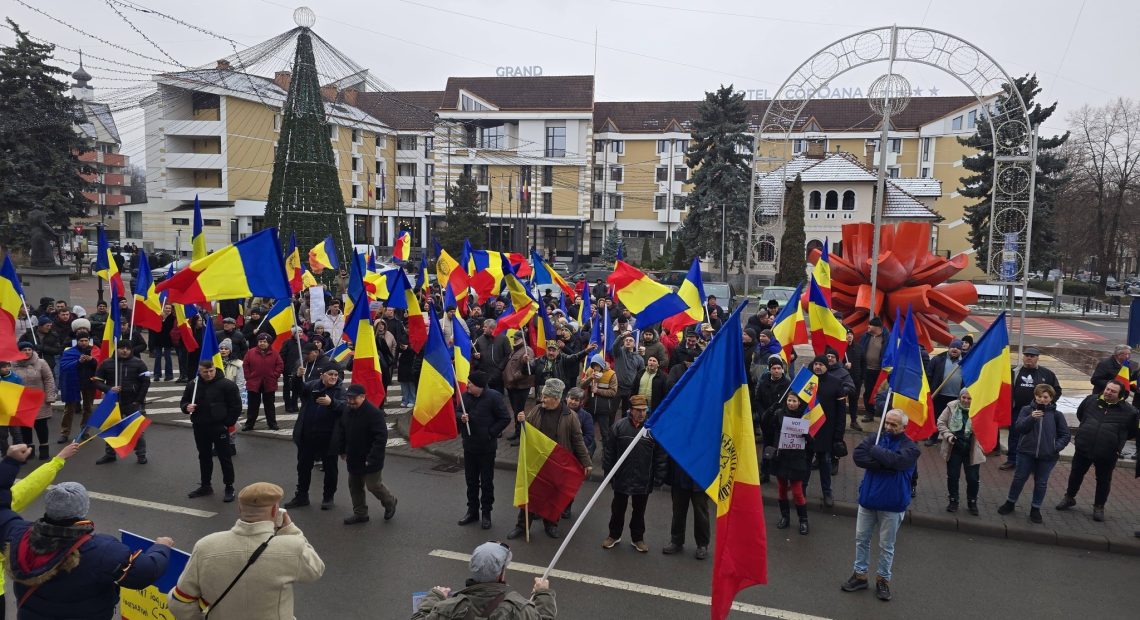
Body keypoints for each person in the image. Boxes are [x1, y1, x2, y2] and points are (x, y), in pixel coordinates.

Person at [0, 444, 173, 618]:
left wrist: (10, 463)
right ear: (83, 510)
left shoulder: (17, 535)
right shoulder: (102, 550)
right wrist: (162, 547)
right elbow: (145, 572)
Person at [168, 482, 325, 620]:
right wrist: (289, 529)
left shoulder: (205, 546)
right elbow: (316, 570)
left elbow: (179, 602)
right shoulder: (293, 547)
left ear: (239, 509)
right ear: (275, 511)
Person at [841, 409, 919, 602]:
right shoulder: (875, 438)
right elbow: (858, 456)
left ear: (904, 427)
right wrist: (886, 463)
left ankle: (883, 580)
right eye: (887, 423)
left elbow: (898, 461)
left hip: (893, 505)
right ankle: (860, 575)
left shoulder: (911, 448)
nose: (888, 427)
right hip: (868, 500)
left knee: (886, 546)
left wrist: (876, 453)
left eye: (894, 424)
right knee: (861, 539)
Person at [508, 379, 592, 540]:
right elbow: (527, 431)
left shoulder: (570, 416)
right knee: (531, 494)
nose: (542, 399)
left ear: (556, 398)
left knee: (554, 497)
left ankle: (551, 525)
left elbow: (578, 441)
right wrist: (522, 422)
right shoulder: (537, 410)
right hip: (537, 462)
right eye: (543, 395)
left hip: (557, 464)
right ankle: (522, 526)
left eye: (546, 396)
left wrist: (586, 462)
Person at [1055, 380, 1139, 521]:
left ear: (1120, 395)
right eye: (1107, 389)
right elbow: (1080, 415)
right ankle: (1069, 497)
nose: (1108, 392)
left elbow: (1131, 432)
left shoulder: (1130, 412)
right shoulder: (1091, 400)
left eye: (1113, 391)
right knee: (1076, 474)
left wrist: (1116, 443)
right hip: (1084, 447)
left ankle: (1099, 507)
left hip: (1108, 453)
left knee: (1103, 480)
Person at [411, 541, 556, 619]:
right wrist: (543, 594)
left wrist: (434, 597)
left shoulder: (449, 608)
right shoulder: (519, 609)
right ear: (501, 574)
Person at [602, 394, 666, 553]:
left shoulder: (652, 429)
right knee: (617, 509)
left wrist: (659, 476)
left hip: (644, 478)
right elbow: (609, 452)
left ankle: (638, 539)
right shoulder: (619, 427)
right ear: (630, 410)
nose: (641, 413)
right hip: (621, 477)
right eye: (638, 410)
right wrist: (608, 473)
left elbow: (660, 455)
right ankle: (613, 535)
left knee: (639, 511)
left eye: (644, 410)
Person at [998, 384, 1071, 523]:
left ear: (1051, 398)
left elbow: (1065, 435)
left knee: (1041, 483)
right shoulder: (1026, 410)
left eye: (1045, 397)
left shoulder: (1057, 415)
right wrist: (1031, 418)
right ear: (1035, 396)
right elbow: (1019, 428)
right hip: (1026, 452)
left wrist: (1054, 447)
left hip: (1047, 456)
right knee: (1019, 479)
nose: (1042, 399)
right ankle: (1010, 502)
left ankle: (1035, 508)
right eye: (1039, 396)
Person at [334, 384, 398, 525]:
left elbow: (380, 438)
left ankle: (390, 501)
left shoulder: (374, 413)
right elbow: (342, 431)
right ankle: (360, 514)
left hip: (371, 458)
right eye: (349, 398)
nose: (351, 401)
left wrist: (372, 458)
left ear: (363, 397)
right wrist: (342, 450)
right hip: (353, 456)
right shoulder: (347, 411)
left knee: (373, 485)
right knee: (355, 485)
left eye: (354, 398)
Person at [457, 371, 511, 529]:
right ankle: (472, 511)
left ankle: (486, 513)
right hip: (469, 446)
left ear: (479, 386)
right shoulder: (465, 397)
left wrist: (490, 433)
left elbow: (505, 418)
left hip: (486, 448)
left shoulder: (494, 397)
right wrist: (461, 417)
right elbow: (457, 411)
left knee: (486, 482)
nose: (467, 386)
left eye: (470, 384)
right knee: (471, 481)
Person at [182, 360, 243, 502]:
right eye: (205, 372)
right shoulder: (193, 385)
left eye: (211, 371)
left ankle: (229, 487)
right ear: (200, 371)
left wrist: (227, 424)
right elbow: (184, 401)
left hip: (219, 427)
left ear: (215, 369)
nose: (209, 374)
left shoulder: (227, 385)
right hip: (200, 426)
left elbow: (236, 406)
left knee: (224, 458)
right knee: (204, 456)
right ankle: (205, 485)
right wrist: (186, 407)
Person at [285, 365, 345, 510]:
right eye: (330, 374)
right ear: (322, 375)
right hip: (308, 435)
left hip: (328, 437)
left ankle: (328, 497)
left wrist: (332, 403)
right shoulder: (312, 385)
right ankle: (302, 496)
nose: (334, 377)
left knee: (330, 469)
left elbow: (345, 408)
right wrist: (298, 377)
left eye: (336, 375)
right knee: (303, 467)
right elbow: (298, 389)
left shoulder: (340, 390)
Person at [92, 340, 151, 465]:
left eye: (127, 348)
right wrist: (109, 389)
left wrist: (138, 400)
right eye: (122, 348)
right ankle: (110, 454)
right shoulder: (106, 363)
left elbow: (146, 382)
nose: (125, 350)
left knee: (137, 430)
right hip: (113, 402)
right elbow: (97, 381)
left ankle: (141, 455)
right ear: (116, 349)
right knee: (111, 428)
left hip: (132, 402)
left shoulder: (139, 363)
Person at [761, 392, 813, 535]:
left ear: (799, 403)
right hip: (781, 458)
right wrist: (771, 410)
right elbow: (765, 425)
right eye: (789, 400)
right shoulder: (779, 414)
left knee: (797, 492)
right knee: (782, 490)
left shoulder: (805, 417)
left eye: (794, 401)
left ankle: (803, 520)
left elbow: (812, 442)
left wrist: (806, 435)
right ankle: (785, 517)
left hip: (797, 458)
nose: (791, 403)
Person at [1003, 346, 1061, 470]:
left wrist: (1048, 403)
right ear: (1023, 357)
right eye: (1027, 355)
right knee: (1014, 434)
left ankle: (1033, 462)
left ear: (1037, 358)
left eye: (1032, 356)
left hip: (1038, 410)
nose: (1029, 358)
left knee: (1035, 435)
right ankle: (1012, 460)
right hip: (1017, 410)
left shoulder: (1047, 374)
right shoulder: (1013, 372)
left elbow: (1057, 390)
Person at [807, 355, 854, 506]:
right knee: (805, 463)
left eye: (821, 364)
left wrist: (838, 434)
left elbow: (841, 413)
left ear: (827, 366)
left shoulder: (836, 383)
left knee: (825, 464)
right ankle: (801, 490)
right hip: (807, 430)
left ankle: (827, 492)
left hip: (826, 431)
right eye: (816, 364)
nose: (817, 367)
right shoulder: (806, 381)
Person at [935, 388, 984, 515]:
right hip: (954, 448)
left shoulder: (979, 410)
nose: (966, 401)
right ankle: (953, 500)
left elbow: (986, 427)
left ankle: (972, 502)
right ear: (960, 397)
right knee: (952, 476)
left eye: (969, 398)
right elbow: (941, 422)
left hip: (972, 450)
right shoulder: (951, 407)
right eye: (964, 397)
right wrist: (949, 436)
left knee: (973, 478)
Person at [12, 342, 56, 460]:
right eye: (24, 350)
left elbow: (49, 379)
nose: (27, 352)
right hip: (21, 401)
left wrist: (50, 396)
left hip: (39, 400)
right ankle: (29, 450)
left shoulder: (41, 362)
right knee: (25, 427)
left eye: (29, 349)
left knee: (41, 426)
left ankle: (44, 449)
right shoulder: (12, 364)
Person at [57, 334, 98, 443]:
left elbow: (100, 365)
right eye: (81, 341)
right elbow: (64, 366)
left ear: (88, 341)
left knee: (88, 408)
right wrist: (78, 361)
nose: (84, 343)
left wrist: (92, 360)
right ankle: (64, 433)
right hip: (73, 383)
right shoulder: (69, 352)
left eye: (85, 340)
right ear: (77, 341)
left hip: (88, 383)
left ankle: (85, 432)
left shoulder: (94, 351)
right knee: (69, 409)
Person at [925, 340, 964, 446]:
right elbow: (928, 376)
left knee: (955, 420)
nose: (955, 349)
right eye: (953, 347)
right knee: (937, 418)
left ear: (961, 350)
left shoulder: (966, 361)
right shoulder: (937, 359)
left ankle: (953, 440)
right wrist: (929, 391)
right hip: (939, 395)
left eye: (958, 348)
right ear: (948, 348)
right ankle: (933, 438)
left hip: (957, 398)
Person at [243, 333, 284, 431]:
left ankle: (272, 424)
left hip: (269, 383)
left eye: (264, 342)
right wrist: (248, 377)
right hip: (254, 383)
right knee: (253, 406)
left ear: (268, 343)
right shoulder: (250, 352)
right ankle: (249, 424)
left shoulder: (275, 353)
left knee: (269, 405)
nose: (262, 343)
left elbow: (280, 365)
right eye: (260, 341)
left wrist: (275, 375)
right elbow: (246, 365)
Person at [579, 354, 618, 450]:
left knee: (605, 433)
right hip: (589, 408)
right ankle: (589, 452)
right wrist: (590, 378)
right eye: (593, 365)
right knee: (588, 431)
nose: (595, 368)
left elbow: (613, 392)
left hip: (604, 409)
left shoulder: (611, 374)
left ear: (601, 364)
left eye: (597, 365)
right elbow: (582, 385)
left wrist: (598, 391)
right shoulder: (589, 371)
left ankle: (606, 452)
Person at [859, 317, 888, 422]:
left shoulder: (887, 338)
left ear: (877, 327)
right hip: (867, 370)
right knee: (868, 392)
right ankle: (869, 413)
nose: (868, 326)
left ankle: (883, 415)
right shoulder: (866, 336)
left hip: (881, 371)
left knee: (881, 393)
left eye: (870, 325)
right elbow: (860, 350)